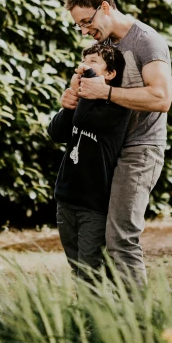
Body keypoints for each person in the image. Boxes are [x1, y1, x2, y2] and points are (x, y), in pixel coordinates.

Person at [61, 0, 172, 286]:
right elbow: (90, 89)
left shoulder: (146, 41)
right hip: (105, 148)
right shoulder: (105, 46)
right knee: (94, 235)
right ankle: (104, 318)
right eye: (79, 26)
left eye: (87, 22)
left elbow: (162, 98)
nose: (84, 30)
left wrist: (106, 93)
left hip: (140, 148)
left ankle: (137, 325)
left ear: (106, 7)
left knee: (120, 236)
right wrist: (70, 99)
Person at [48, 41, 130, 279]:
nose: (84, 67)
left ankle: (93, 313)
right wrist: (70, 100)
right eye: (84, 62)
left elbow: (83, 120)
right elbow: (56, 133)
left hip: (93, 204)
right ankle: (87, 311)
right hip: (66, 198)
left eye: (94, 63)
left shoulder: (116, 108)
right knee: (76, 265)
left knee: (90, 268)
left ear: (111, 73)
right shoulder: (81, 105)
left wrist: (86, 86)